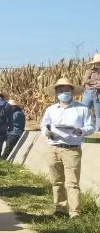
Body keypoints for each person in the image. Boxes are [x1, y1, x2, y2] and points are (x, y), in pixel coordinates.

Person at [40, 77, 95, 218]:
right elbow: (44, 125)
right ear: (56, 93)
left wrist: (80, 131)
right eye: (60, 90)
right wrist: (46, 131)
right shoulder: (50, 110)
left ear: (72, 91)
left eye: (66, 90)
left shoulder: (82, 109)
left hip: (72, 149)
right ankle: (60, 208)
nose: (63, 92)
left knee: (72, 183)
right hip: (53, 148)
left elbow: (91, 126)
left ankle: (75, 212)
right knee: (57, 182)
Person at [82, 53, 100, 130]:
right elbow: (85, 80)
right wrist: (96, 82)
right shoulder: (90, 71)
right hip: (88, 93)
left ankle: (97, 131)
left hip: (98, 94)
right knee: (84, 110)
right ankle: (82, 129)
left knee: (98, 114)